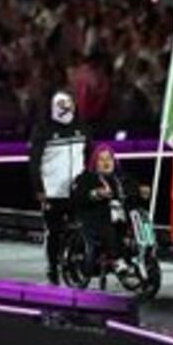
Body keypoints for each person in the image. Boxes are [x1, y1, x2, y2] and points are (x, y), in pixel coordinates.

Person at [28, 91, 92, 284]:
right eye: (62, 104)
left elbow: (90, 156)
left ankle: (77, 265)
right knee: (54, 231)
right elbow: (34, 162)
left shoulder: (83, 128)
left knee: (82, 228)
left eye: (69, 103)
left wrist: (88, 182)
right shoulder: (43, 130)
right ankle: (52, 267)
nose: (66, 107)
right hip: (53, 191)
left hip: (76, 190)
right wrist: (40, 189)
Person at [72, 144, 149, 276]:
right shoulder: (86, 178)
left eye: (109, 159)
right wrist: (95, 193)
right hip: (95, 217)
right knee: (109, 225)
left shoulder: (121, 178)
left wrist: (142, 191)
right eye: (101, 159)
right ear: (95, 162)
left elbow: (134, 189)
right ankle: (116, 259)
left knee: (140, 217)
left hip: (121, 216)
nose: (106, 163)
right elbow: (78, 195)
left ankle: (145, 252)